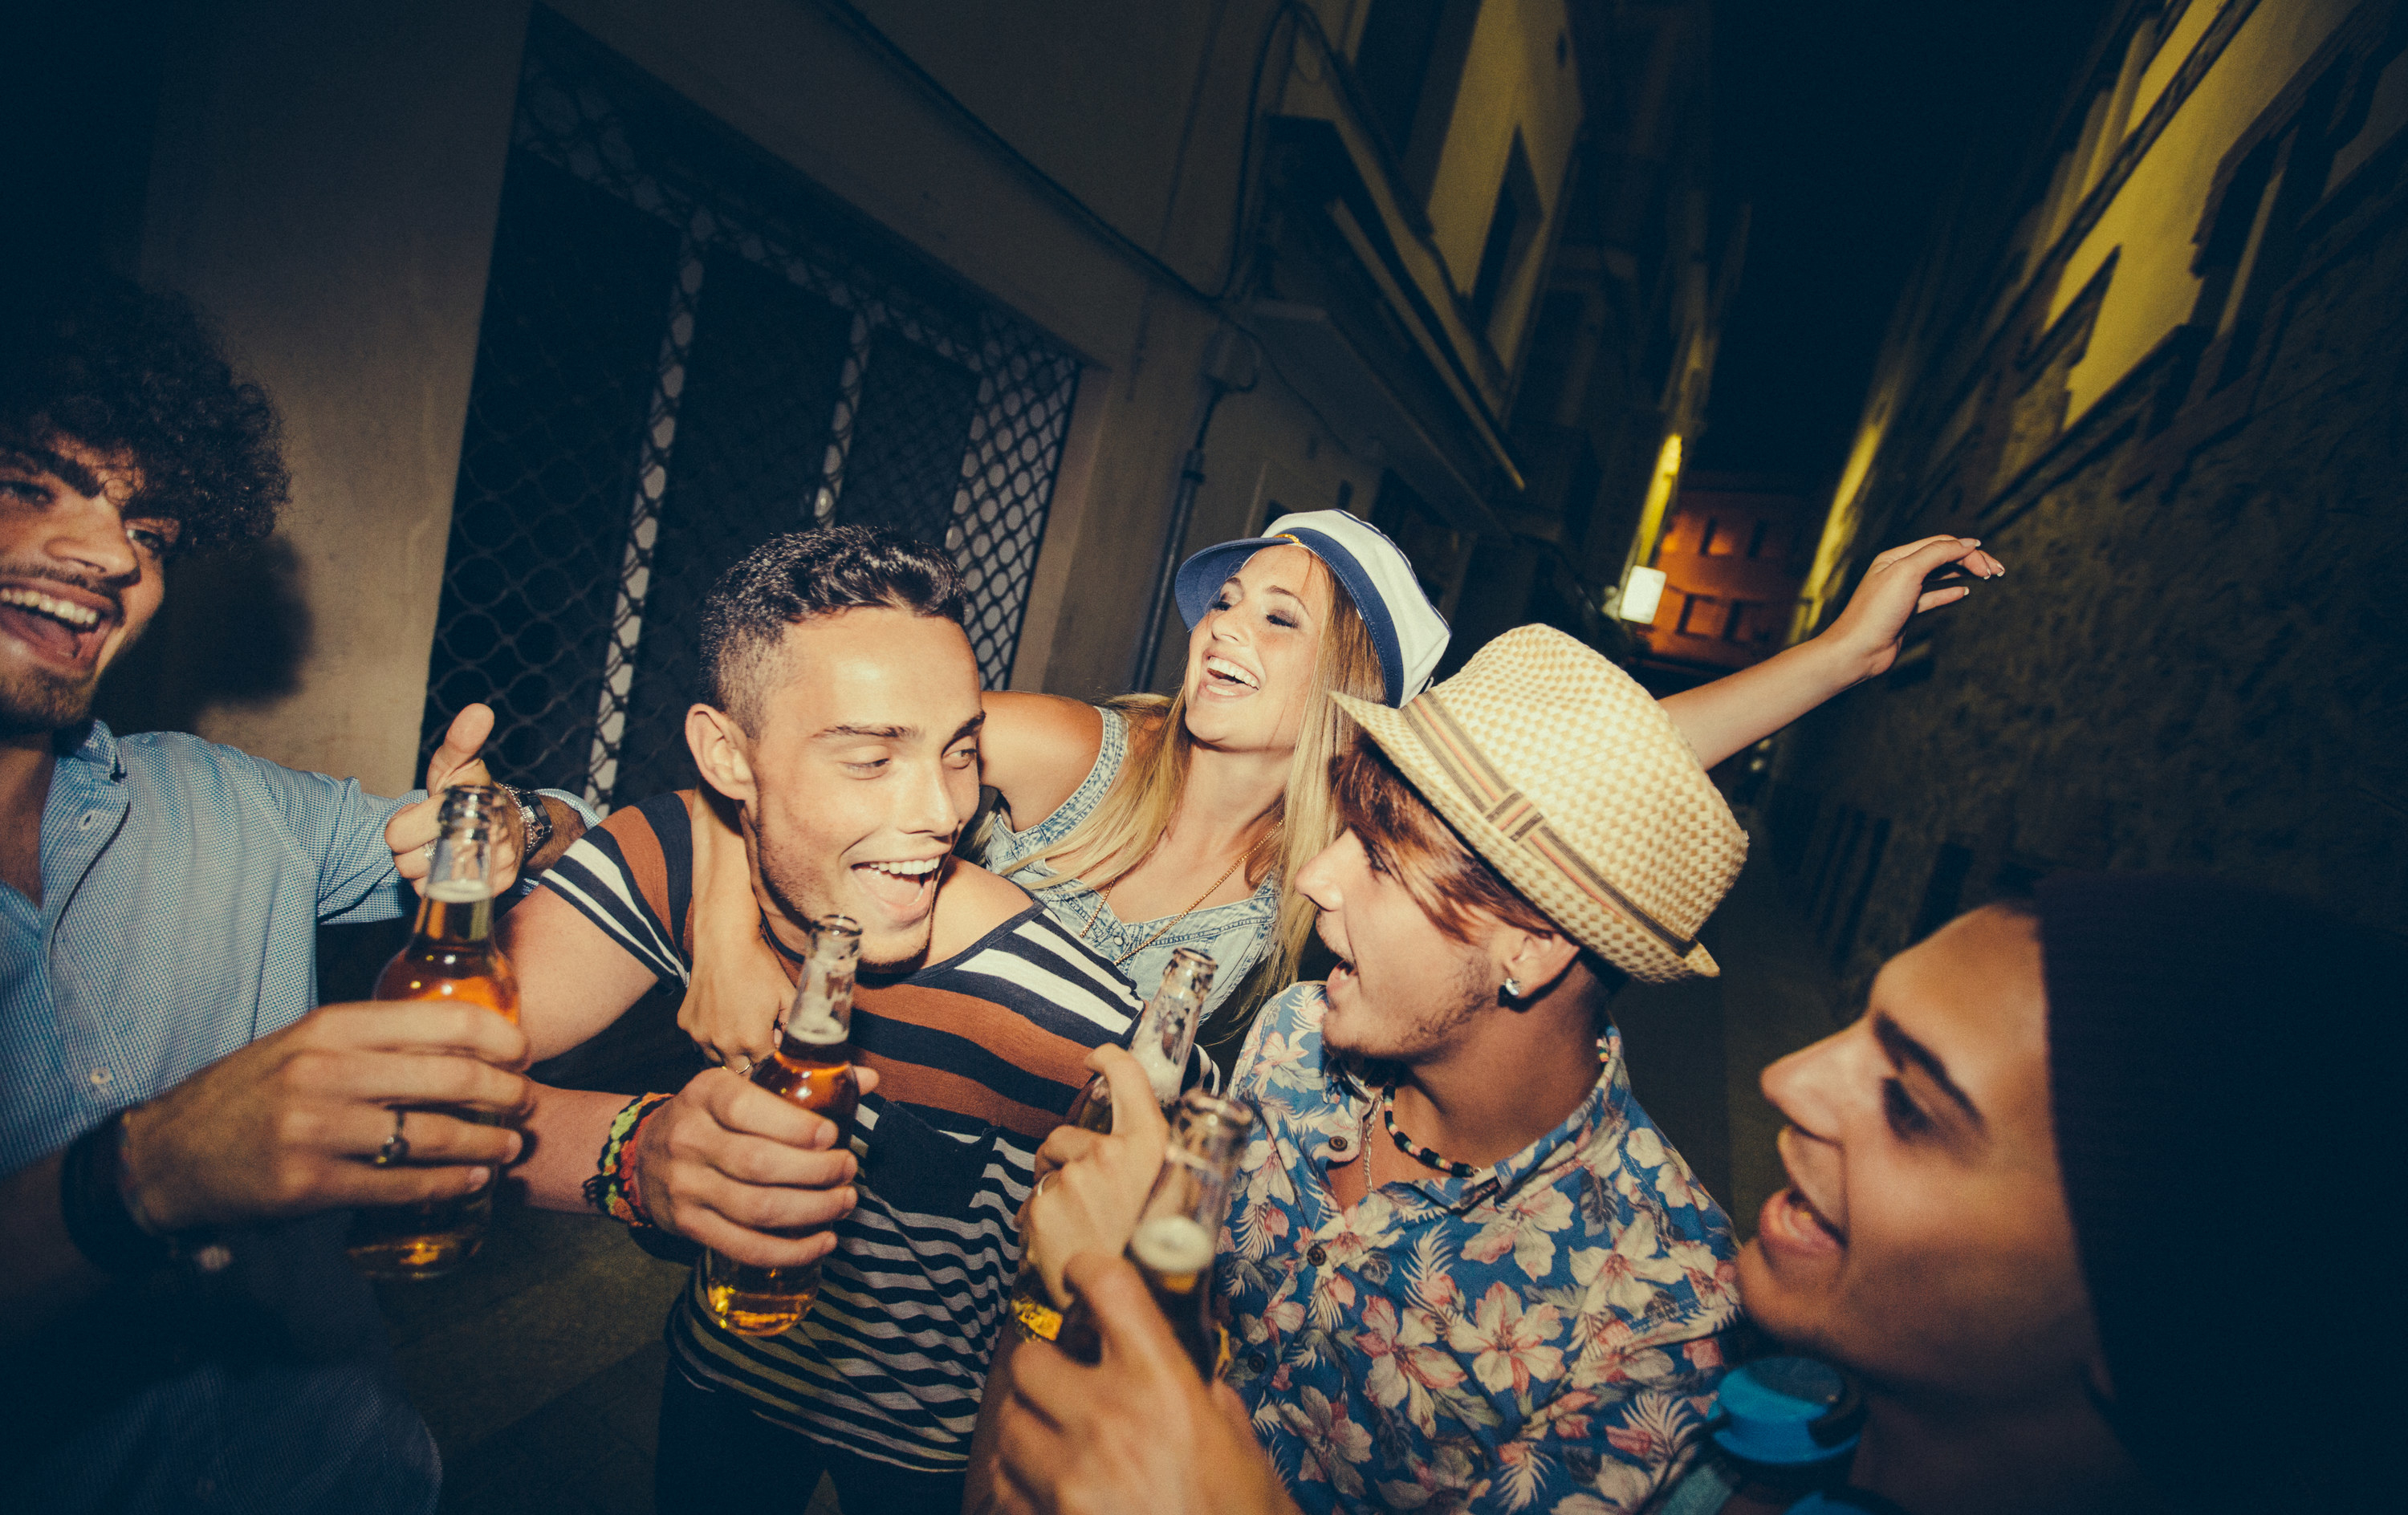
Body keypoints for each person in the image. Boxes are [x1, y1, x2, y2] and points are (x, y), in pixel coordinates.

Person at [985, 876, 2398, 1515]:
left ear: (2151, 1324)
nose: (1789, 1078)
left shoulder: (1657, 1317)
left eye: (1912, 1104)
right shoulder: (1750, 1457)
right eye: (1861, 1023)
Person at [973, 623, 1776, 1515]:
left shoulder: (1661, 1309)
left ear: (1531, 947)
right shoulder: (1292, 1038)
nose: (1315, 877)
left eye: (1383, 861)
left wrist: (1111, 1279)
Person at [0, 275, 588, 1515]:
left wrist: (506, 825)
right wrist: (139, 1177)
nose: (105, 555)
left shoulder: (224, 806)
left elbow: (566, 823)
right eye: (34, 483)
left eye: (145, 523)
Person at [678, 510, 2003, 1061]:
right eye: (1226, 604)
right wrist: (726, 936)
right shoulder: (1068, 753)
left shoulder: (1327, 890)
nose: (1224, 632)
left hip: (1020, 1311)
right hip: (825, 1177)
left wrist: (1840, 656)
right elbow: (776, 773)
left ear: (1352, 689)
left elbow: (1613, 764)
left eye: (1280, 622)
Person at [495, 526, 1149, 1515]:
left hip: (934, 1446)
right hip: (721, 1377)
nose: (943, 812)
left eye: (959, 749)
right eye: (871, 755)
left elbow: (1094, 1315)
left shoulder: (1067, 1017)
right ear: (726, 759)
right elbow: (408, 1083)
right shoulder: (671, 861)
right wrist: (639, 1152)